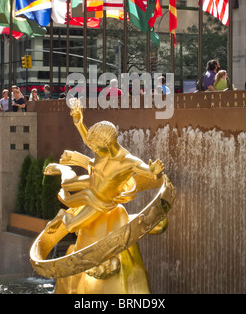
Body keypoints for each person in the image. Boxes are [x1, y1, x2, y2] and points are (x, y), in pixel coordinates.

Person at [43, 98, 164, 235]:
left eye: (96, 147)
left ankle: (61, 216)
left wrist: (155, 172)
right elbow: (89, 141)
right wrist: (79, 123)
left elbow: (148, 172)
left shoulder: (127, 161)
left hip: (100, 202)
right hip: (92, 182)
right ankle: (64, 169)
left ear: (108, 145)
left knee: (71, 227)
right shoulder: (102, 149)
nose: (92, 148)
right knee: (65, 184)